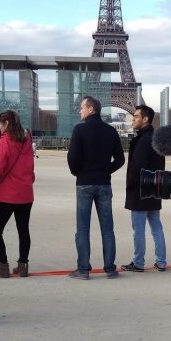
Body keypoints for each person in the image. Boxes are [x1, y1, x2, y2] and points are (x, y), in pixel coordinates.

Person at [67, 96, 125, 279]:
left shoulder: (80, 130)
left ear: (91, 109)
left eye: (82, 107)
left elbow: (72, 159)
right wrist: (106, 170)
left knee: (83, 228)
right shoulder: (110, 131)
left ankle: (83, 269)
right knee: (107, 229)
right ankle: (110, 268)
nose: (80, 111)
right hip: (104, 182)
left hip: (84, 182)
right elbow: (121, 159)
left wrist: (78, 172)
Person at [0, 110, 35, 278]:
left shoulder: (3, 142)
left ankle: (2, 264)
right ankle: (23, 265)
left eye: (0, 123)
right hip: (26, 192)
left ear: (6, 124)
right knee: (23, 230)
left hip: (7, 192)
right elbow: (31, 168)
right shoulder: (26, 140)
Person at [121, 105, 167, 272]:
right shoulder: (156, 139)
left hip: (140, 190)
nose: (133, 119)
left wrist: (131, 186)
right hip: (155, 188)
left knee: (138, 229)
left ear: (145, 119)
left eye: (136, 116)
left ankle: (138, 262)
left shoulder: (142, 140)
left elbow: (136, 168)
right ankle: (161, 261)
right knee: (156, 226)